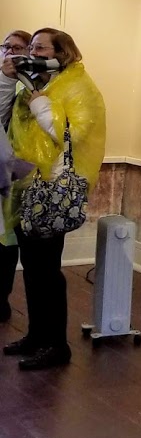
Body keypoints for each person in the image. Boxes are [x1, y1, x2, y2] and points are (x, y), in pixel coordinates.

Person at [4, 28, 105, 369]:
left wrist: (40, 104)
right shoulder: (40, 82)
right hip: (26, 187)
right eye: (31, 46)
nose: (33, 52)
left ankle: (57, 345)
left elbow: (72, 133)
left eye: (41, 47)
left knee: (47, 270)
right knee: (32, 269)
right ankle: (36, 336)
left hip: (52, 191)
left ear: (62, 52)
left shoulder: (79, 87)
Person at [0, 30, 31, 323]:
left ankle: (1, 299)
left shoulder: (31, 86)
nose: (10, 52)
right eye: (6, 46)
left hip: (17, 178)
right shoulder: (3, 80)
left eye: (18, 48)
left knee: (6, 243)